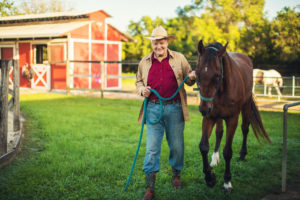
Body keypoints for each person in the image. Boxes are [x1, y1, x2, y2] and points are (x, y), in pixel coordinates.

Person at [135, 26, 196, 200]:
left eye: (161, 42)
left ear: (167, 42)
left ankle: (176, 175)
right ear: (152, 44)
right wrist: (142, 90)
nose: (158, 46)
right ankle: (150, 187)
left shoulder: (180, 58)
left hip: (175, 108)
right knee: (152, 149)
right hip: (153, 108)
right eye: (155, 43)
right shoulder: (144, 61)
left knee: (176, 146)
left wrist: (192, 77)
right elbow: (138, 81)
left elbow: (188, 79)